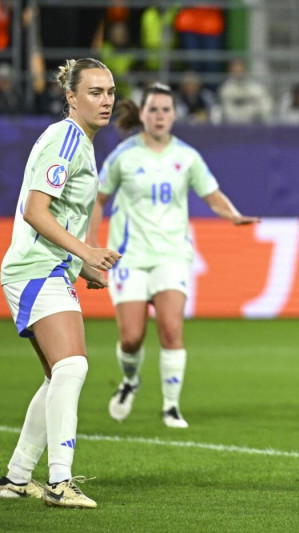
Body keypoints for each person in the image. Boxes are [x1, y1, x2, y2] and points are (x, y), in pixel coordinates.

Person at [87, 82, 257, 429]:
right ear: (143, 114)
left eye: (166, 109)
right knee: (131, 337)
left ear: (174, 115)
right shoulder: (124, 155)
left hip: (172, 256)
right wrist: (91, 247)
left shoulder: (187, 156)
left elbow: (212, 194)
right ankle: (130, 381)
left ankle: (171, 406)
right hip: (129, 257)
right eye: (153, 109)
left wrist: (233, 215)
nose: (160, 116)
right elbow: (99, 200)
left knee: (170, 330)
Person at [0, 58, 120, 508]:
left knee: (57, 374)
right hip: (36, 267)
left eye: (110, 91)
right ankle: (60, 482)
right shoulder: (67, 138)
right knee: (73, 367)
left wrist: (81, 263)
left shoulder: (80, 142)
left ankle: (15, 479)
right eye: (95, 92)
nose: (106, 100)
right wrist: (85, 251)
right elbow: (35, 210)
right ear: (71, 97)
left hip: (48, 266)